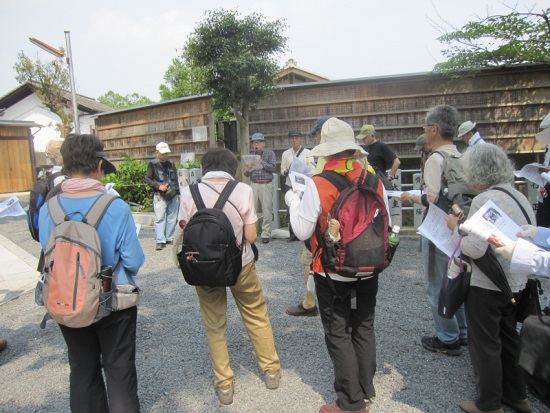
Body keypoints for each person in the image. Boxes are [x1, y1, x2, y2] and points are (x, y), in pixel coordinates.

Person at [286, 117, 388, 413]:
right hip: (369, 268)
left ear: (326, 151)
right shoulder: (373, 179)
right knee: (364, 326)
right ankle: (365, 391)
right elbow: (387, 224)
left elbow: (303, 231)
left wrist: (294, 200)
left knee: (338, 331)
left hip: (331, 269)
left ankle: (350, 403)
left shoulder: (319, 183)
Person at [38, 133, 145, 413]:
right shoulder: (115, 207)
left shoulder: (48, 208)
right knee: (119, 369)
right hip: (112, 302)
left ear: (66, 165)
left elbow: (48, 256)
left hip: (66, 300)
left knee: (82, 368)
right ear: (99, 165)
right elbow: (134, 260)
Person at [177, 147, 281, 405]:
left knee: (214, 325)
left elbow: (184, 228)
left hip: (203, 267)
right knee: (256, 315)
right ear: (231, 167)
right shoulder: (243, 190)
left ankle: (224, 386)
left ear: (204, 168)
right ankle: (271, 371)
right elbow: (251, 237)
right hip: (241, 265)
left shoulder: (189, 192)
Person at [444, 143, 535, 413]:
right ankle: (517, 396)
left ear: (478, 172)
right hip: (515, 281)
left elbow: (473, 248)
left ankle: (488, 403)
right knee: (508, 339)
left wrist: (456, 228)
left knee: (485, 343)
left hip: (487, 283)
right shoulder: (519, 196)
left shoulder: (486, 200)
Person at [400, 105, 468, 356]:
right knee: (456, 279)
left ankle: (447, 338)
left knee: (436, 285)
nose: (425, 133)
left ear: (434, 129)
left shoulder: (435, 159)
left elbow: (431, 198)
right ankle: (462, 332)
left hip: (439, 229)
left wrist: (409, 198)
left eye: (425, 128)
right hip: (460, 229)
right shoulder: (462, 156)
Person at [280, 129, 314, 242]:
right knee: (291, 208)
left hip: (303, 185)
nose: (294, 140)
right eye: (292, 138)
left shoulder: (308, 153)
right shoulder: (285, 154)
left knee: (305, 208)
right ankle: (293, 234)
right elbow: (282, 169)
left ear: (301, 139)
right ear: (289, 140)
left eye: (297, 138)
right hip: (291, 184)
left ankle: (305, 233)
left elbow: (312, 168)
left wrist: (304, 170)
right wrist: (288, 171)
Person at [145, 142, 180, 251]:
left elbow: (176, 178)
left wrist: (178, 193)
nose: (165, 155)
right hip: (160, 194)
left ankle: (170, 238)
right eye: (163, 153)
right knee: (159, 218)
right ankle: (160, 240)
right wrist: (158, 186)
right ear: (157, 152)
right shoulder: (152, 164)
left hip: (172, 192)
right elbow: (147, 179)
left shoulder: (171, 162)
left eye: (166, 153)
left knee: (172, 217)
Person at [243, 132, 276, 243]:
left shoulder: (270, 154)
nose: (256, 145)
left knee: (266, 209)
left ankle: (266, 234)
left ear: (263, 143)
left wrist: (261, 160)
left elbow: (272, 168)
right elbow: (246, 174)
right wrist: (247, 170)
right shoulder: (251, 157)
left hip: (266, 183)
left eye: (258, 142)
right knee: (253, 209)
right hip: (254, 184)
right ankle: (253, 232)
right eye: (254, 143)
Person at [356, 124, 400, 189]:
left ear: (372, 135)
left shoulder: (381, 146)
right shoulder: (364, 148)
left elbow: (397, 162)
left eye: (364, 138)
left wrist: (389, 177)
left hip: (378, 181)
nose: (363, 140)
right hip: (366, 181)